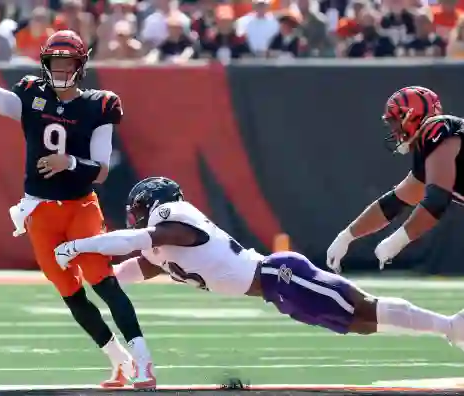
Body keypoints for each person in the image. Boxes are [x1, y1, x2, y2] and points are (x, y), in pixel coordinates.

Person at [55, 177, 464, 344]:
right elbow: (126, 272)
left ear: (155, 205)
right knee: (359, 324)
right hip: (274, 292)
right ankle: (446, 327)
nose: (135, 212)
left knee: (363, 308)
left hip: (280, 274)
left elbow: (138, 238)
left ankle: (450, 326)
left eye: (139, 207)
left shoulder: (171, 220)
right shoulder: (158, 249)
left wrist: (83, 246)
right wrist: (92, 285)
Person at [0, 30, 155, 389]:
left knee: (103, 281)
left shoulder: (99, 104)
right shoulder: (30, 94)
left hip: (79, 206)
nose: (62, 69)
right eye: (56, 62)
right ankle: (119, 360)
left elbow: (100, 171)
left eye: (68, 62)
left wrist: (67, 161)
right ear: (45, 64)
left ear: (80, 66)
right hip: (39, 211)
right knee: (69, 291)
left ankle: (144, 362)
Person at [327, 86, 463, 273]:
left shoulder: (436, 127)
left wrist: (397, 240)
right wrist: (347, 236)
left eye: (395, 121)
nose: (394, 129)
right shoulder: (431, 153)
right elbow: (395, 202)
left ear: (413, 116)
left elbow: (437, 200)